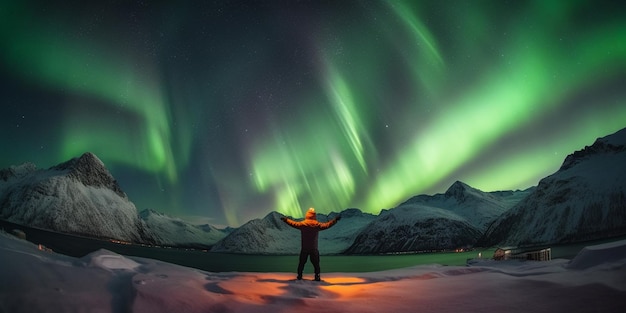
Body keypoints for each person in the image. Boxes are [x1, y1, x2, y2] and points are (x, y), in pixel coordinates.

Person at [281, 208, 341, 281]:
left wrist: (286, 220)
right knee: (316, 264)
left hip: (304, 248)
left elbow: (293, 223)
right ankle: (317, 276)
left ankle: (299, 276)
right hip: (314, 248)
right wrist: (335, 220)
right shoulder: (317, 225)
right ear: (314, 216)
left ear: (307, 215)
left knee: (302, 263)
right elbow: (327, 225)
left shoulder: (303, 224)